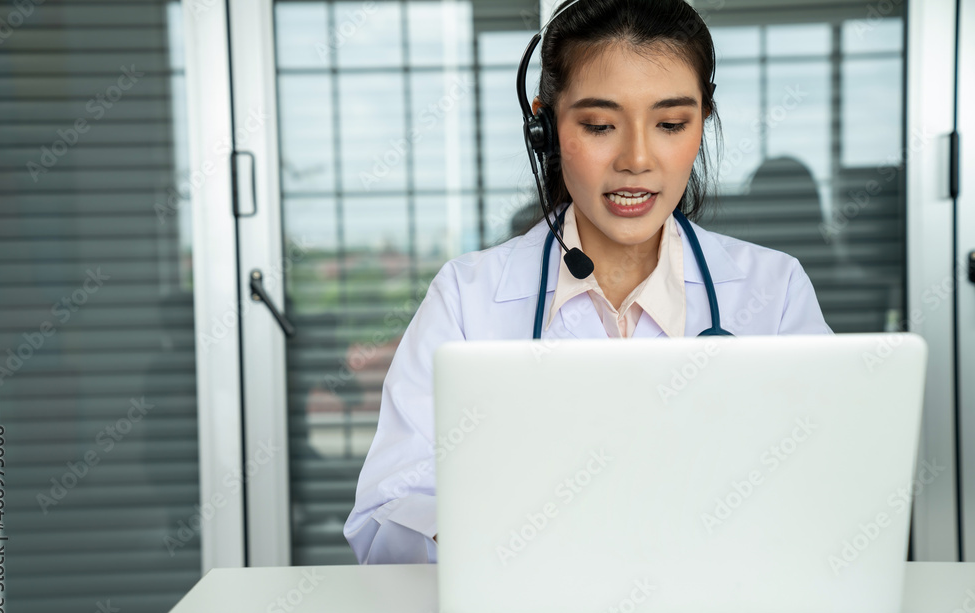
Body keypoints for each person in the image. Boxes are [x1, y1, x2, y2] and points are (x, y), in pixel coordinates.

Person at [344, 0, 833, 564]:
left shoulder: (773, 293)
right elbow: (384, 520)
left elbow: (828, 496)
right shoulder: (467, 298)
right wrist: (483, 539)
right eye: (599, 125)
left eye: (671, 124)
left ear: (702, 124)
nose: (637, 159)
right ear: (545, 127)